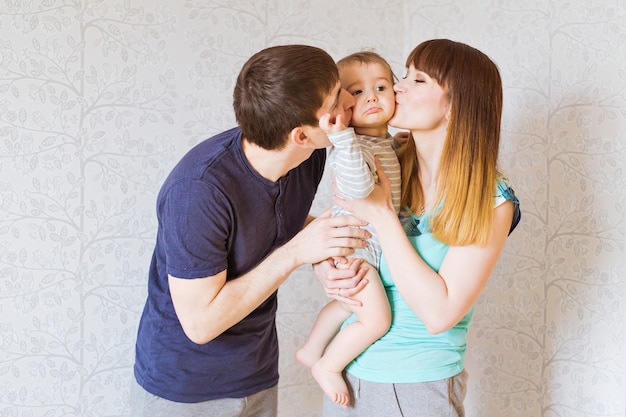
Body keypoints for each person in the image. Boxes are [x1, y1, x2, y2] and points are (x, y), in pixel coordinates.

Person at [130, 44, 372, 417]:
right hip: (185, 390)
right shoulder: (198, 191)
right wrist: (297, 253)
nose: (349, 100)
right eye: (335, 101)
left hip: (257, 371)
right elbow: (201, 324)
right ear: (301, 135)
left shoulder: (311, 155)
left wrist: (322, 254)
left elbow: (274, 227)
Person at [316, 39, 522, 416]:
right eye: (404, 74)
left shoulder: (491, 198)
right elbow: (335, 223)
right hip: (347, 375)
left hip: (416, 385)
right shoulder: (385, 163)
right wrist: (324, 265)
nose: (397, 87)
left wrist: (381, 216)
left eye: (419, 80)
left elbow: (440, 314)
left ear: (455, 105)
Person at [296, 51, 401, 408]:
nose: (371, 96)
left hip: (364, 244)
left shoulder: (384, 143)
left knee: (346, 304)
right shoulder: (349, 147)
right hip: (356, 245)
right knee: (375, 321)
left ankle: (311, 349)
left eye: (381, 87)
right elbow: (357, 189)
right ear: (340, 108)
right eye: (356, 92)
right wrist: (341, 138)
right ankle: (328, 365)